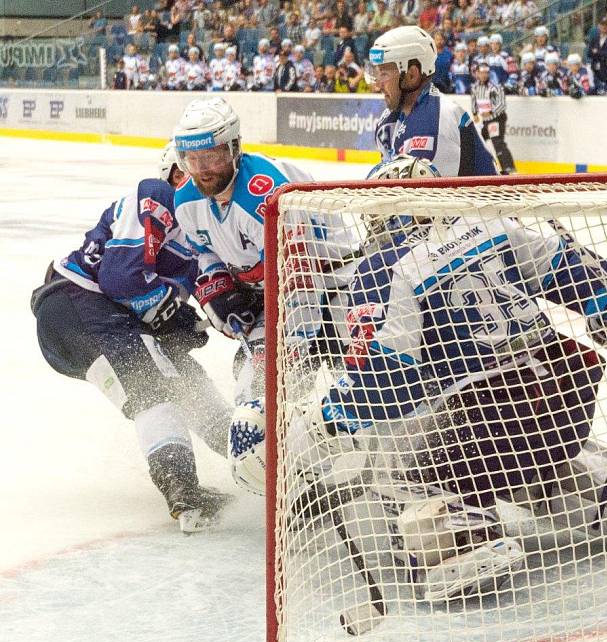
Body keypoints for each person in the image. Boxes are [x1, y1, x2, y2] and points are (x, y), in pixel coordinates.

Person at [241, 155, 607, 602]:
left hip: (491, 413)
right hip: (569, 392)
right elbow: (572, 268)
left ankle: (466, 540)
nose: (375, 228)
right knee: (530, 454)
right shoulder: (493, 226)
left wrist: (325, 416)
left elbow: (392, 384)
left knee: (398, 462)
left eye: (377, 214)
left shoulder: (387, 270)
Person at [30, 144, 233, 533]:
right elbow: (120, 279)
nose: (198, 179)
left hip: (99, 318)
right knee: (151, 384)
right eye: (189, 169)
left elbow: (167, 301)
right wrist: (172, 314)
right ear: (172, 173)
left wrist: (182, 320)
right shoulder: (155, 197)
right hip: (75, 304)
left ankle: (253, 458)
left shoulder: (204, 234)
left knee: (188, 382)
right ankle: (182, 489)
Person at [172, 97, 357, 404]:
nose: (203, 170)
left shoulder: (266, 199)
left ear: (233, 149)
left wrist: (291, 345)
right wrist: (218, 289)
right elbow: (204, 252)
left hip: (335, 289)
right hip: (274, 295)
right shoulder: (186, 202)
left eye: (212, 157)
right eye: (193, 159)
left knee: (369, 395)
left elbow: (299, 278)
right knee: (253, 401)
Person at [367, 26, 497, 177]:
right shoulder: (389, 120)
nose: (378, 85)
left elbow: (424, 198)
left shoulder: (436, 121)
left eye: (384, 73)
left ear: (411, 75)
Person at [470, 64, 516, 174]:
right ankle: (479, 166)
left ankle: (508, 168)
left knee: (497, 142)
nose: (484, 75)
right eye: (482, 73)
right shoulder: (475, 87)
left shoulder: (495, 87)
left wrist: (490, 112)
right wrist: (475, 113)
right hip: (484, 121)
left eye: (486, 73)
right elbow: (474, 101)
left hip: (496, 119)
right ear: (477, 74)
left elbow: (502, 105)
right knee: (477, 141)